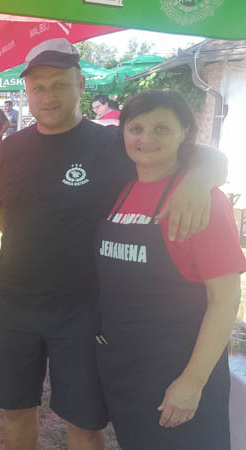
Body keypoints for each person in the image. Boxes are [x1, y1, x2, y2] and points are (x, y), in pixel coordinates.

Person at [0, 38, 227, 450]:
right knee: (15, 410)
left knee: (85, 421)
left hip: (85, 309)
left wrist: (198, 181)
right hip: (11, 304)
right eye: (38, 87)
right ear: (27, 92)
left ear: (80, 85)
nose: (48, 96)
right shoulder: (10, 148)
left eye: (59, 84)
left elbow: (208, 157)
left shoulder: (112, 143)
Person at [95, 90, 245, 450]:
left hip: (177, 372)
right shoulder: (124, 189)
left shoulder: (202, 200)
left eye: (161, 129)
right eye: (136, 129)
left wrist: (192, 383)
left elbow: (226, 299)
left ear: (185, 134)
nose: (146, 139)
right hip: (129, 370)